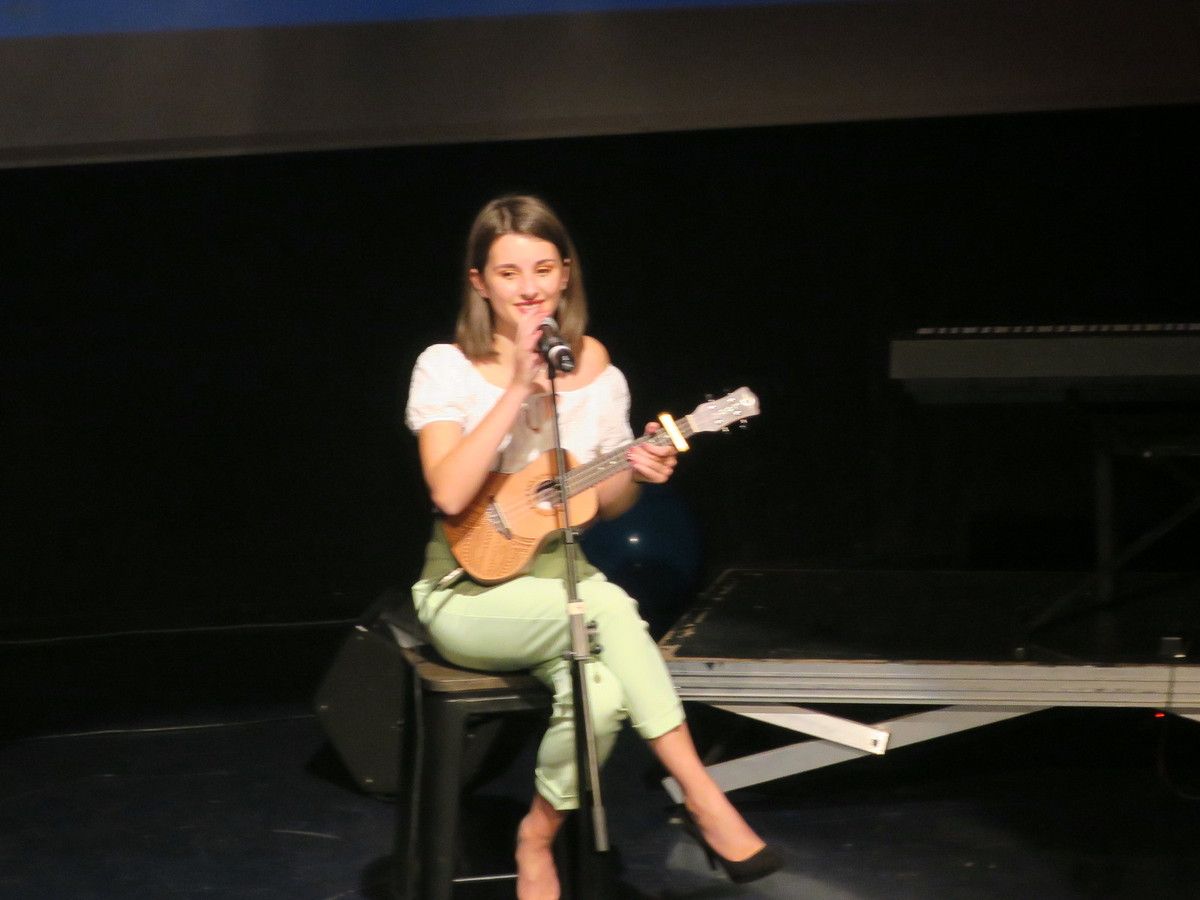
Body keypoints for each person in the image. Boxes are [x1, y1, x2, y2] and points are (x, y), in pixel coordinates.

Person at [404, 194, 780, 898]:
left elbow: (606, 503)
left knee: (603, 693)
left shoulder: (599, 371)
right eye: (509, 273)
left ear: (566, 274)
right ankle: (702, 797)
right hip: (467, 589)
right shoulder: (445, 366)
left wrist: (640, 470)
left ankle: (536, 836)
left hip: (562, 579)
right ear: (479, 282)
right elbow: (450, 495)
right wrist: (516, 390)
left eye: (544, 269)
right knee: (611, 610)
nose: (529, 288)